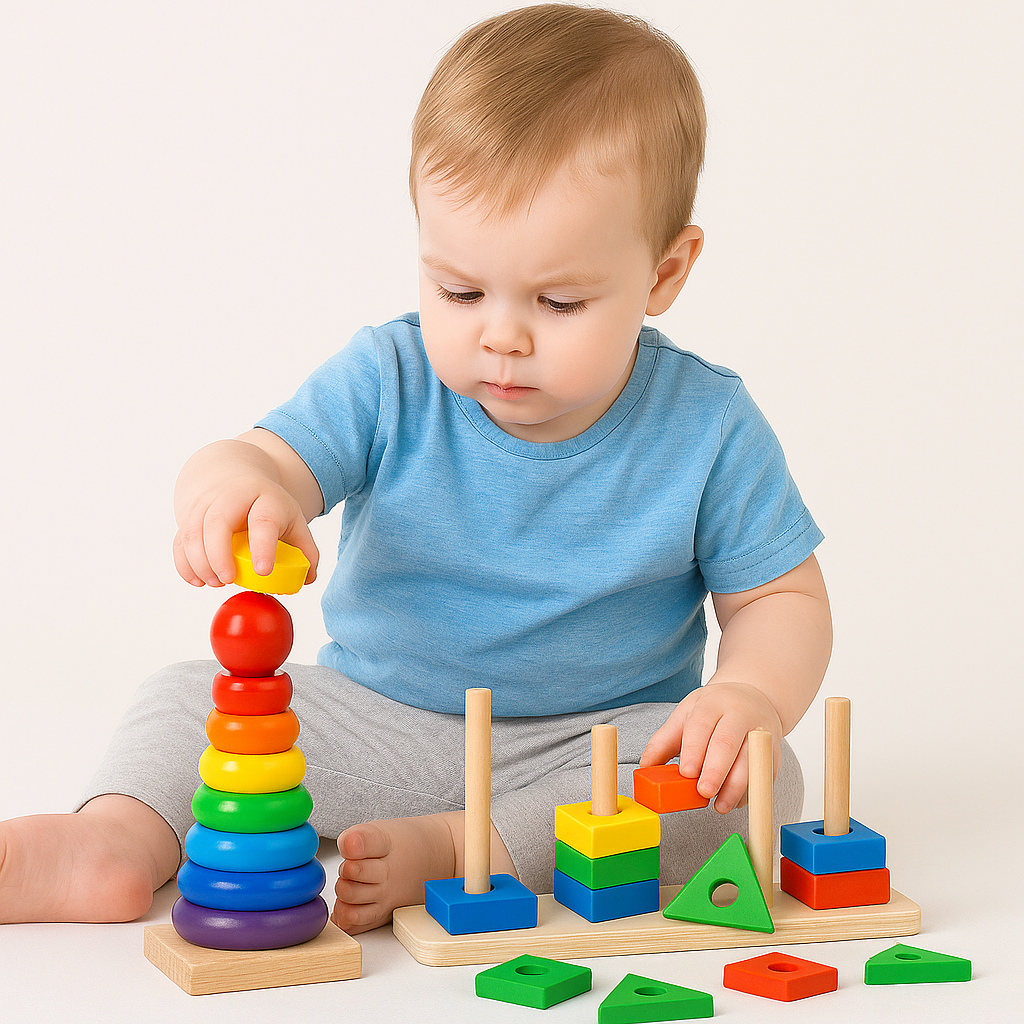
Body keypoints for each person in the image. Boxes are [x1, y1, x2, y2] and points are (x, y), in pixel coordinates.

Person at [0, 4, 831, 934]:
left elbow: (779, 601)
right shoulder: (389, 376)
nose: (500, 336)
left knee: (758, 780)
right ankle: (112, 842)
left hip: (588, 748)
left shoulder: (709, 425)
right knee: (188, 697)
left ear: (665, 274)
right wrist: (237, 488)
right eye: (459, 290)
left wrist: (748, 695)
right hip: (371, 723)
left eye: (559, 302)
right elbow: (264, 455)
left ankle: (461, 848)